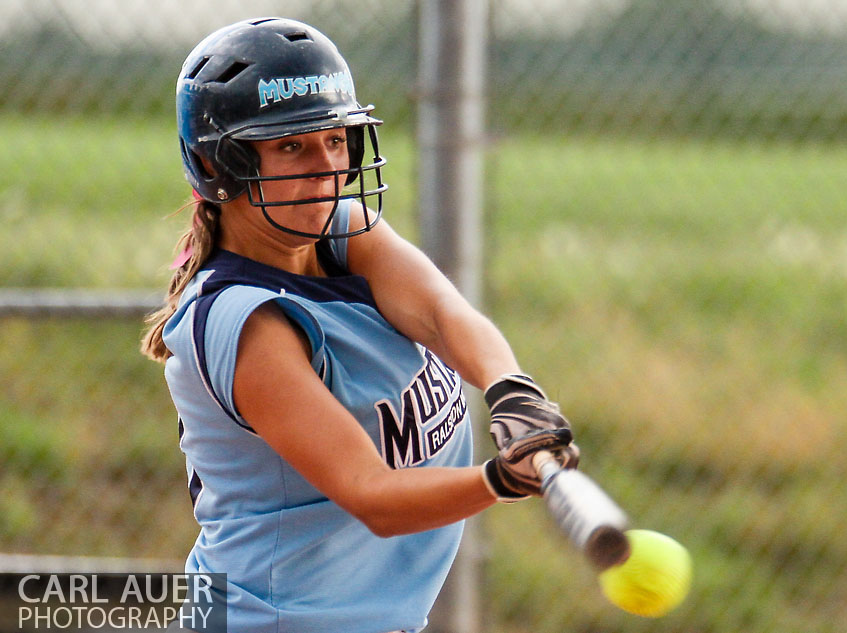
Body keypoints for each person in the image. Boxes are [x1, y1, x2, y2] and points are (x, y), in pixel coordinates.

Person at [141, 17, 579, 633]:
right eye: (291, 146)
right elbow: (372, 495)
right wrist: (500, 479)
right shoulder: (245, 323)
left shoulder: (341, 230)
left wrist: (512, 390)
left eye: (336, 138)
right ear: (222, 166)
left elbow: (442, 316)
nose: (327, 166)